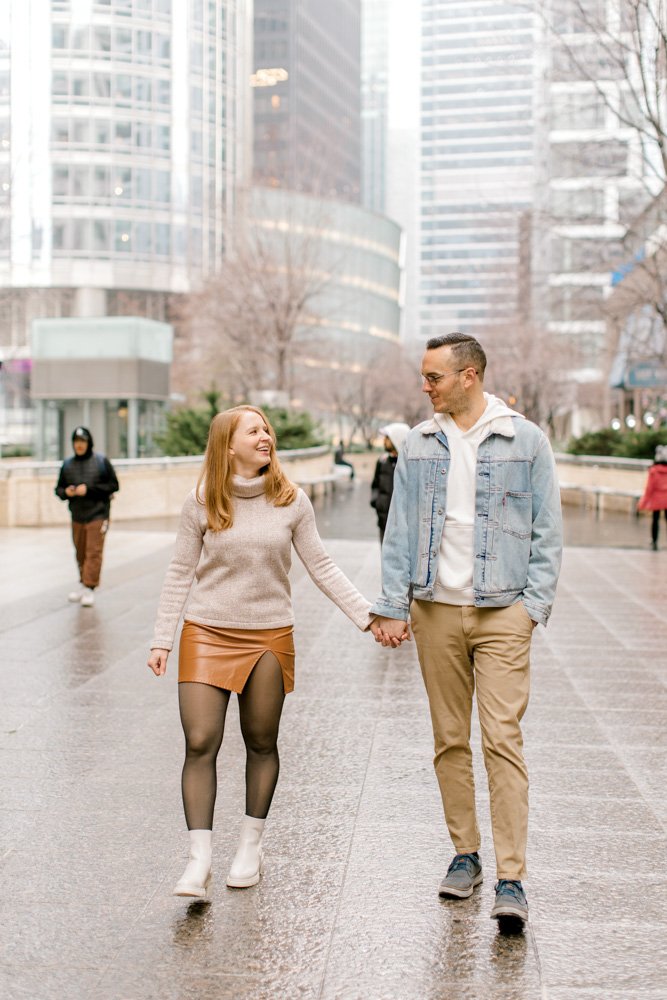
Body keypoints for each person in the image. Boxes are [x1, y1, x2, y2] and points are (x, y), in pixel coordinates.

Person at [147, 406, 395, 899]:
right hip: (207, 630)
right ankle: (198, 859)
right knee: (200, 741)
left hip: (267, 634)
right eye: (253, 431)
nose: (266, 436)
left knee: (261, 740)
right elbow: (179, 571)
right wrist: (162, 638)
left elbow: (322, 566)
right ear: (228, 444)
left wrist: (369, 616)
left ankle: (249, 847)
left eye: (266, 429)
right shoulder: (201, 501)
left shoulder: (291, 501)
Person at [370, 333, 563, 928]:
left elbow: (546, 531)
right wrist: (393, 606)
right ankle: (465, 854)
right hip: (435, 609)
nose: (424, 386)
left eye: (434, 377)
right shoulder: (420, 443)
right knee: (450, 738)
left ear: (469, 376)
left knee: (501, 737)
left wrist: (532, 608)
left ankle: (512, 876)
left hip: (504, 609)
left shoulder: (525, 440)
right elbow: (399, 530)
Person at [55, 426, 119, 608]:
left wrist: (89, 490)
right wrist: (67, 492)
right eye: (76, 442)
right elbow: (58, 489)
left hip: (98, 514)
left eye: (82, 442)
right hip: (77, 516)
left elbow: (114, 485)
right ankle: (83, 583)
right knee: (80, 551)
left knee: (93, 551)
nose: (79, 445)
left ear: (88, 443)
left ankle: (90, 587)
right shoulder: (67, 465)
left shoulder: (101, 462)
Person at [370, 423, 411, 542]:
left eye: (387, 438)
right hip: (384, 518)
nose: (384, 441)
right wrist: (376, 502)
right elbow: (375, 485)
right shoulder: (382, 461)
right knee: (384, 554)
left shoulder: (409, 463)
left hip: (403, 522)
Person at [638, 444, 667, 550]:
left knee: (655, 519)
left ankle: (654, 540)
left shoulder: (654, 471)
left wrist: (644, 500)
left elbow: (650, 487)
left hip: (657, 499)